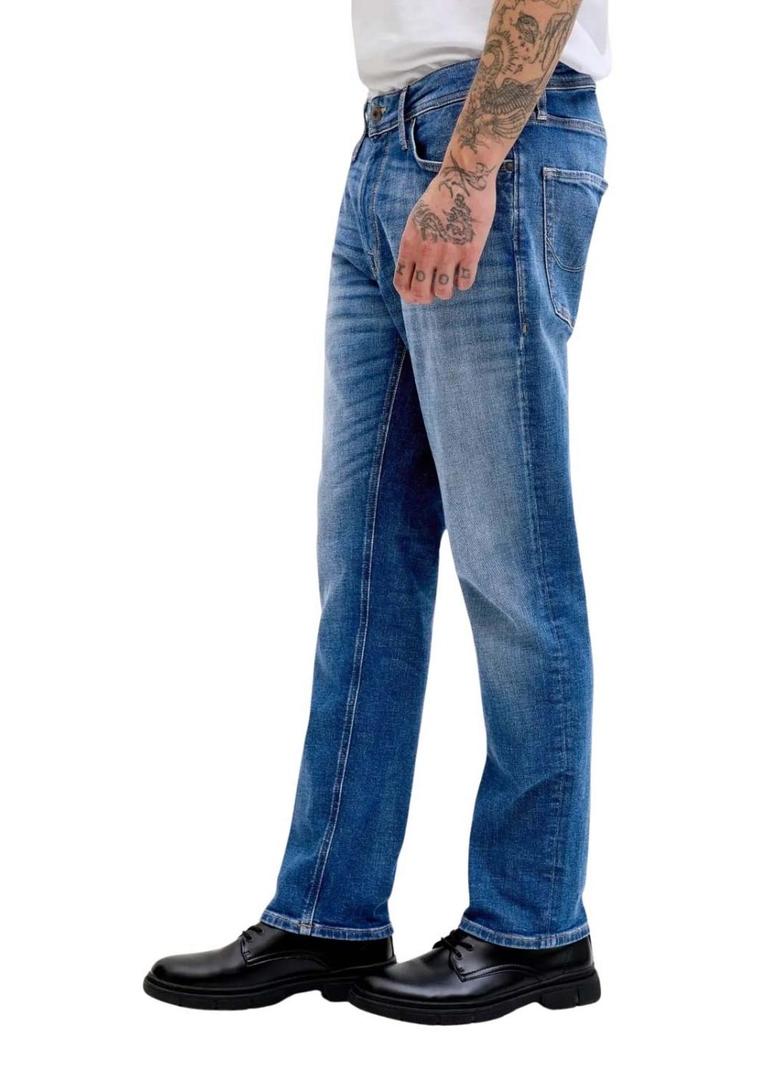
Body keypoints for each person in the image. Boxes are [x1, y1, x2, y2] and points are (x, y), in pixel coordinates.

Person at [144, 0, 610, 1025]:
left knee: (514, 568)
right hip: (385, 141)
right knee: (362, 570)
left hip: (490, 138)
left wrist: (467, 171)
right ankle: (329, 910)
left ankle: (533, 926)